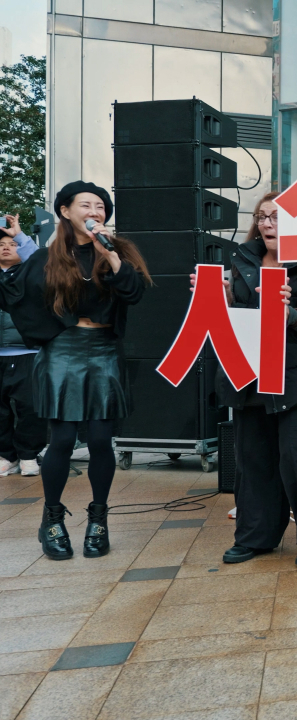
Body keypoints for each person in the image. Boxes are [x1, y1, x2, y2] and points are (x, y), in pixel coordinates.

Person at [0, 181, 149, 560]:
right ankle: (52, 518)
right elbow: (15, 293)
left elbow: (135, 292)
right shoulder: (47, 258)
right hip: (63, 351)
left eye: (100, 206)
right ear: (65, 211)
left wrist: (111, 255)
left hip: (103, 351)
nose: (94, 212)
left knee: (101, 440)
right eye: (86, 205)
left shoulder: (119, 251)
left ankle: (98, 518)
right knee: (62, 440)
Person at [216, 191, 297, 569]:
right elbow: (236, 320)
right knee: (253, 459)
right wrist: (221, 298)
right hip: (251, 376)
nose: (267, 223)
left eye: (276, 216)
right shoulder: (242, 261)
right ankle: (256, 536)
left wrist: (288, 313)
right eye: (262, 216)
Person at [0, 214, 42, 477]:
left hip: (28, 351)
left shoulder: (31, 273)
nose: (5, 247)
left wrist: (20, 236)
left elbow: (43, 262)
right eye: (1, 244)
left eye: (11, 244)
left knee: (30, 407)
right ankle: (6, 455)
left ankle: (28, 455)